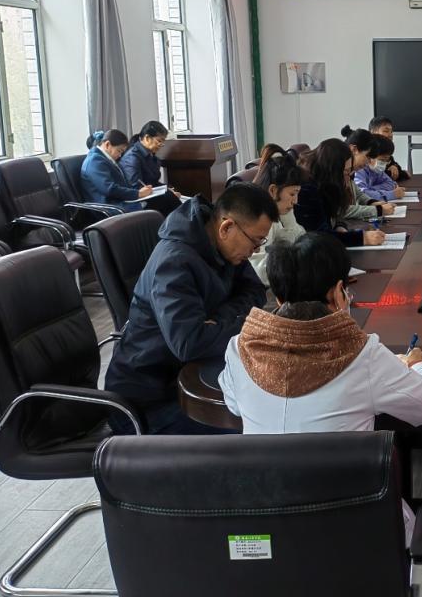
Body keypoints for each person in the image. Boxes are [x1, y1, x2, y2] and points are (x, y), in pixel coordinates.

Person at [219, 232, 422, 537]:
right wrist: (419, 364)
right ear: (337, 293)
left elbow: (233, 403)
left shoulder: (240, 348)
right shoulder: (361, 355)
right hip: (352, 531)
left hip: (265, 530)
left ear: (278, 298)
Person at [105, 183, 278, 434]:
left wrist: (218, 318)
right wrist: (246, 324)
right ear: (227, 227)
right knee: (255, 431)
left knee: (269, 410)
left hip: (190, 378)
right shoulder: (174, 263)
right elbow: (190, 343)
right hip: (148, 402)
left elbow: (255, 291)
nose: (256, 250)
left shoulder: (225, 247)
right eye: (255, 241)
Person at [295, 139, 386, 248]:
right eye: (345, 172)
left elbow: (336, 216)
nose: (348, 178)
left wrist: (339, 226)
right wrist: (363, 238)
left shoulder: (325, 183)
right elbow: (319, 236)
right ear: (332, 171)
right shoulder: (307, 190)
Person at [248, 147, 306, 286]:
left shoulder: (277, 211)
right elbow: (259, 271)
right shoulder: (258, 218)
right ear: (273, 190)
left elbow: (299, 240)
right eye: (292, 194)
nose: (296, 201)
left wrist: (288, 218)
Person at [81, 129, 152, 212]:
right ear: (107, 144)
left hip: (118, 202)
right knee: (152, 209)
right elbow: (109, 189)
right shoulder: (94, 161)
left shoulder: (103, 158)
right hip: (108, 207)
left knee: (154, 204)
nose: (120, 155)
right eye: (119, 151)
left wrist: (138, 192)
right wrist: (138, 194)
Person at [119, 120, 180, 215]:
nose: (161, 145)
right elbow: (136, 187)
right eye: (159, 141)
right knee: (172, 202)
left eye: (163, 141)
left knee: (178, 199)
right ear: (147, 138)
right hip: (138, 201)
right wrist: (167, 193)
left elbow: (153, 182)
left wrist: (167, 189)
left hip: (150, 195)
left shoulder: (151, 155)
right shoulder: (132, 158)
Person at [340, 125, 395, 219]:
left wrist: (373, 202)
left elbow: (359, 194)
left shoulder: (350, 171)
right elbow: (341, 210)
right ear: (354, 150)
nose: (368, 163)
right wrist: (378, 210)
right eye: (368, 157)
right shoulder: (337, 170)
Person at [354, 134, 405, 202]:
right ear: (371, 155)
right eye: (382, 160)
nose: (384, 163)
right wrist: (392, 194)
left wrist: (371, 189)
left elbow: (391, 184)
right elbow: (362, 195)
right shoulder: (359, 170)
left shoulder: (376, 170)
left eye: (387, 161)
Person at [369, 115, 409, 181]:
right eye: (386, 131)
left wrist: (395, 166)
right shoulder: (368, 150)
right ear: (373, 132)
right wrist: (401, 173)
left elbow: (398, 171)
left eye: (391, 132)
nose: (390, 135)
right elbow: (379, 175)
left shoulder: (385, 150)